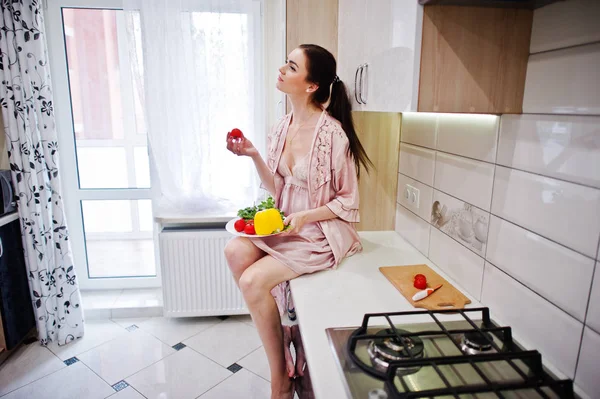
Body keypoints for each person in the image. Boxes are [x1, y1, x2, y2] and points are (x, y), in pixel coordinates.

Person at [224, 44, 372, 399]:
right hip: (286, 225)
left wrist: (306, 216)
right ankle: (285, 339)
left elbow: (349, 202)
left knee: (254, 281)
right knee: (234, 251)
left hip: (318, 231)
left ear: (310, 85)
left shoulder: (334, 135)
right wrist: (255, 154)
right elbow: (276, 186)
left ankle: (279, 378)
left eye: (291, 66)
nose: (282, 69)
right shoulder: (281, 127)